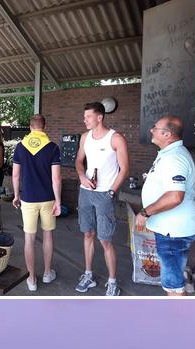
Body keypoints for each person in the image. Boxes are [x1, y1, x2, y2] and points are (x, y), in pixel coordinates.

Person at [136, 116, 195, 296]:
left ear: (167, 134)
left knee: (173, 285)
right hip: (170, 230)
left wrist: (145, 213)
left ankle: (181, 318)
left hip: (172, 233)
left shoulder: (174, 158)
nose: (151, 130)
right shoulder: (168, 154)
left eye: (155, 127)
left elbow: (175, 196)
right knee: (174, 278)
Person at [74, 101, 129, 296]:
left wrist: (111, 192)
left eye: (88, 116)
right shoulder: (84, 138)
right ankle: (88, 274)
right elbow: (79, 161)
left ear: (100, 117)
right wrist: (82, 176)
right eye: (84, 116)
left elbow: (124, 169)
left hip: (105, 194)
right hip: (85, 192)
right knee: (87, 234)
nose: (85, 120)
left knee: (105, 240)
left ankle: (112, 281)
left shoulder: (116, 139)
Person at [12, 114, 61, 291]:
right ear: (44, 127)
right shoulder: (53, 147)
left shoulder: (20, 147)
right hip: (48, 198)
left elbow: (16, 175)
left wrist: (16, 195)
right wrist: (58, 200)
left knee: (29, 238)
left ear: (30, 127)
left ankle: (32, 279)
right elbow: (56, 178)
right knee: (48, 235)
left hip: (28, 199)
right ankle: (47, 273)